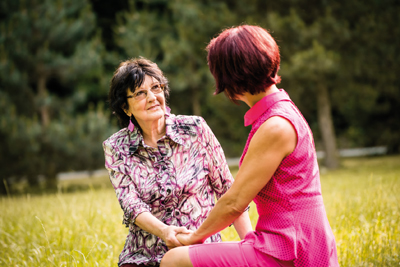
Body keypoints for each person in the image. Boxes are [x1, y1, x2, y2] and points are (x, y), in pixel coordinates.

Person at [160, 25, 339, 267]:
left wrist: (194, 238)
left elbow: (234, 202)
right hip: (288, 239)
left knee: (175, 260)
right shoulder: (279, 113)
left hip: (291, 247)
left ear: (230, 79)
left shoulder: (275, 125)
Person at [103, 57, 252, 267]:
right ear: (126, 108)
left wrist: (250, 244)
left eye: (156, 87)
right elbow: (131, 205)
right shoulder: (116, 147)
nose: (153, 97)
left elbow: (228, 190)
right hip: (143, 255)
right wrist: (165, 232)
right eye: (140, 93)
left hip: (199, 251)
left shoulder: (195, 129)